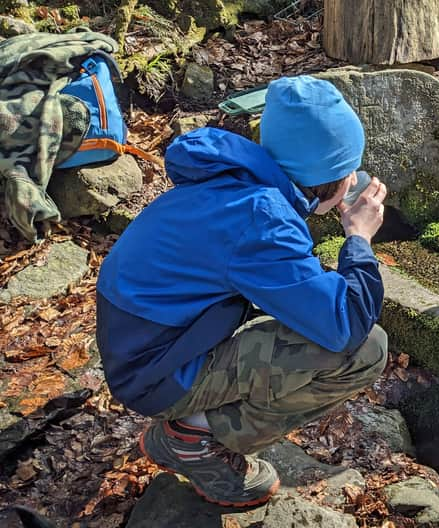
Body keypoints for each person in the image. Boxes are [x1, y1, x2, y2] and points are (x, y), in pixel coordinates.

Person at [96, 76, 388, 507]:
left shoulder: (234, 181)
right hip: (154, 372)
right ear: (330, 176)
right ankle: (194, 438)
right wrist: (359, 240)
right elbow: (345, 326)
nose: (353, 179)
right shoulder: (262, 220)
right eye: (348, 170)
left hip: (140, 347)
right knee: (367, 350)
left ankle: (186, 428)